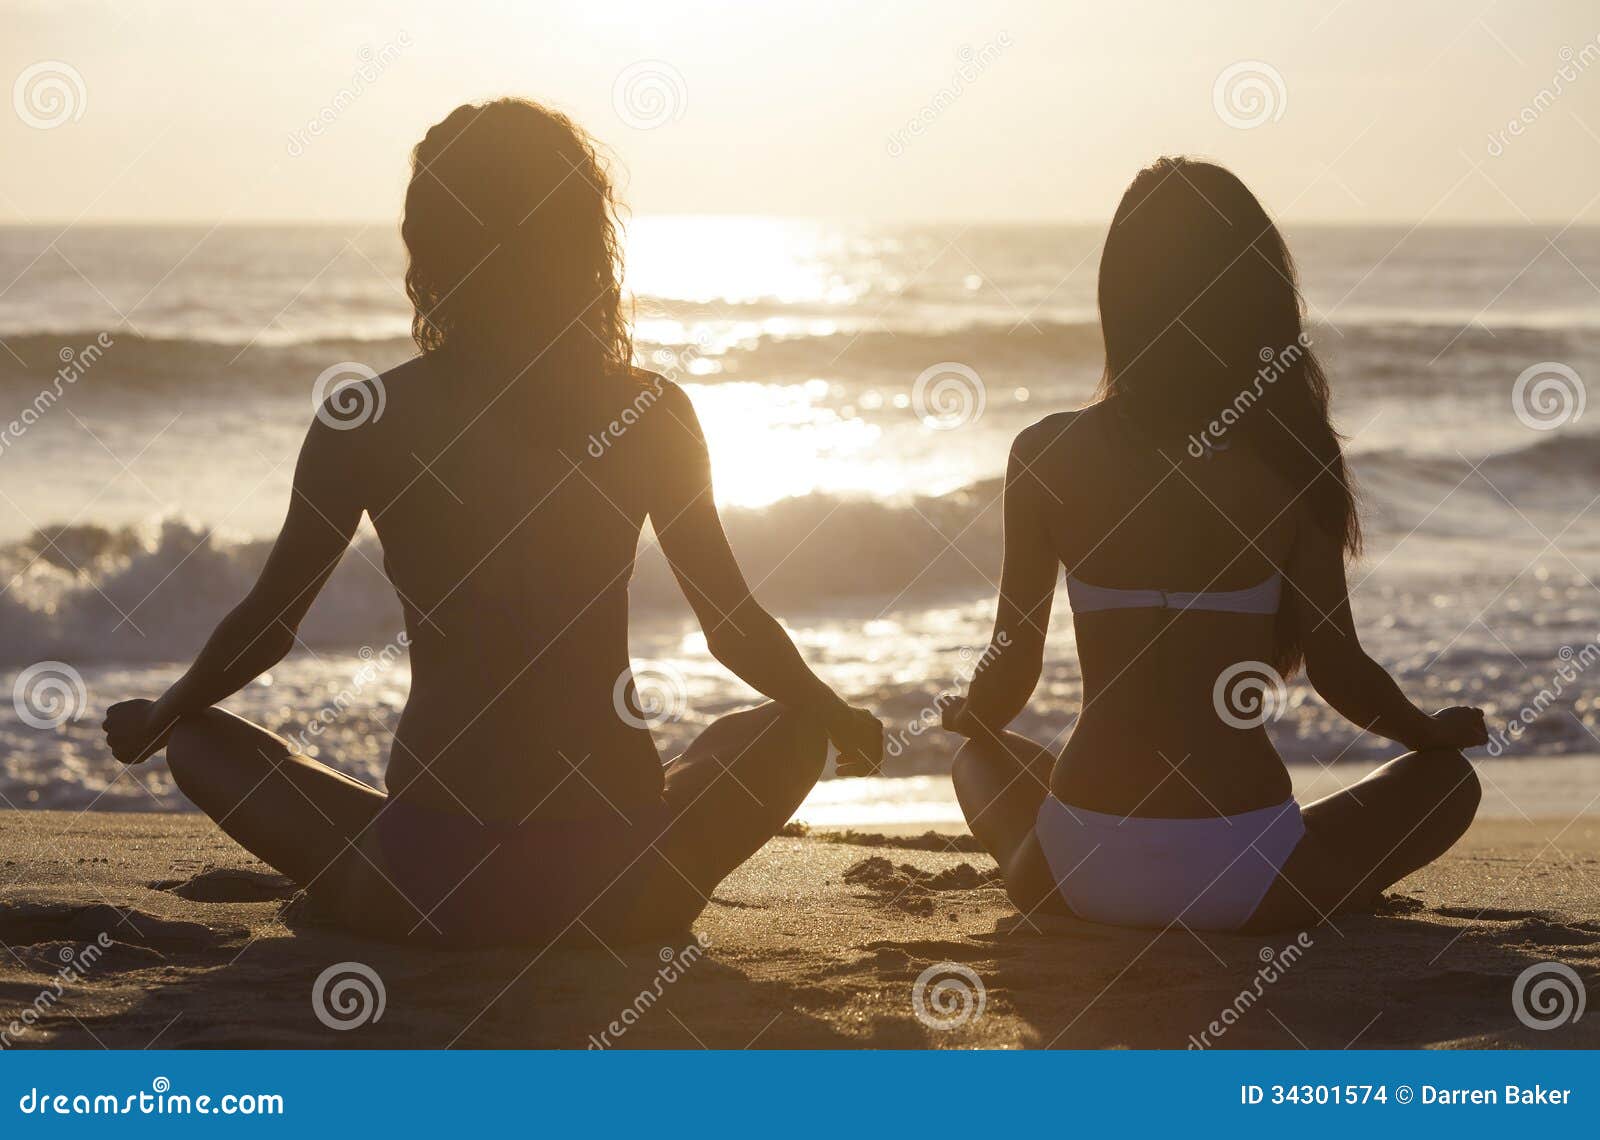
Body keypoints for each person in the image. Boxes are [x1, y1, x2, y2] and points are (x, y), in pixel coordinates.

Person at [102, 98, 883, 947]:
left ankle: (371, 893)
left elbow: (269, 622)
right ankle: (628, 896)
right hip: (616, 877)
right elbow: (732, 628)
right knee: (785, 730)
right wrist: (836, 714)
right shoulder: (650, 409)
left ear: (431, 247)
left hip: (428, 876)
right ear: (583, 238)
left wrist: (166, 712)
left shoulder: (368, 414)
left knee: (203, 744)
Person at [941, 157, 1486, 933]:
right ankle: (1325, 886)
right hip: (1248, 879)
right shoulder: (1293, 461)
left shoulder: (1043, 453)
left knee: (981, 758)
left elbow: (1011, 670)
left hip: (1074, 872)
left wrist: (970, 712)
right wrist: (1427, 732)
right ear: (1256, 298)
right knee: (1448, 785)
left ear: (1119, 297)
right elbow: (1340, 672)